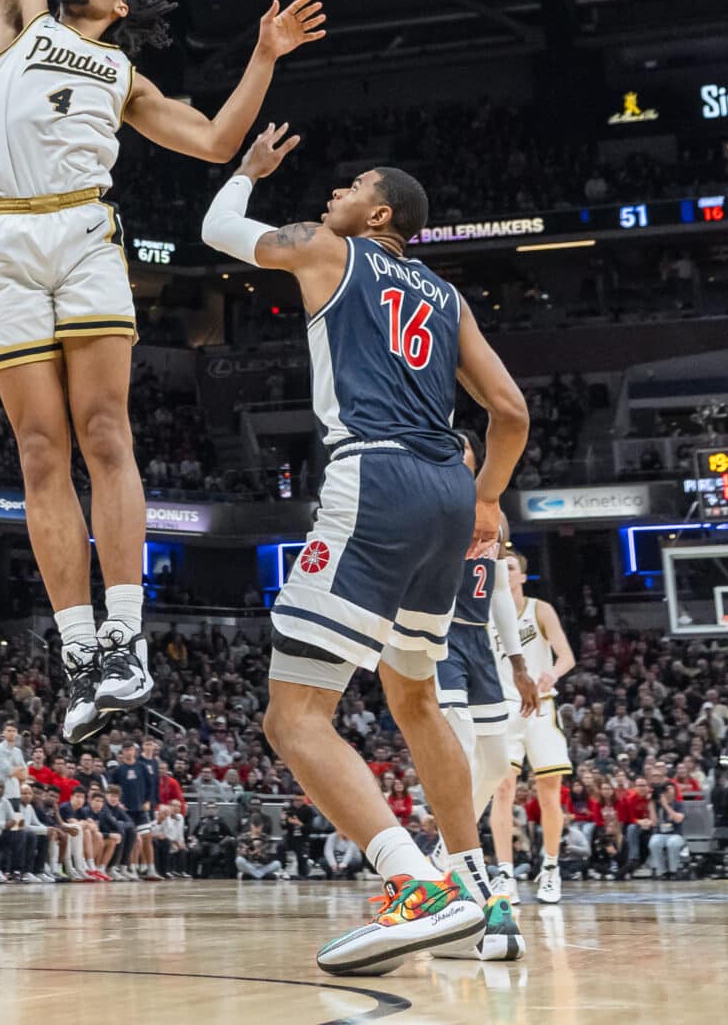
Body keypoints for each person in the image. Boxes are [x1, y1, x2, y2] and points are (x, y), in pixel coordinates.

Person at [0, 0, 326, 744]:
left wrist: (260, 56)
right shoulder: (19, 21)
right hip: (8, 241)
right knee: (36, 451)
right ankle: (80, 651)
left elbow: (211, 142)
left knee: (105, 433)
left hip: (82, 235)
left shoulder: (123, 75)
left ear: (125, 4)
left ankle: (127, 632)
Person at [200, 124, 534, 975]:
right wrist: (489, 494)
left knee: (292, 716)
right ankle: (481, 888)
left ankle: (416, 886)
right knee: (414, 698)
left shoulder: (324, 248)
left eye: (348, 185)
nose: (330, 194)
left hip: (375, 477)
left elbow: (217, 230)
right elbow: (511, 410)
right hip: (449, 496)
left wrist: (246, 170)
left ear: (378, 209)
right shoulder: (448, 298)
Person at [432, 459, 533, 920]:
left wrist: (518, 665)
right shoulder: (433, 512)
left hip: (479, 645)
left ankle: (443, 848)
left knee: (495, 764)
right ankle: (463, 867)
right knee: (462, 744)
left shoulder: (490, 515)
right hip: (440, 638)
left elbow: (498, 600)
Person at [490, 549, 577, 904]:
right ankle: (505, 874)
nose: (506, 572)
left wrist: (551, 674)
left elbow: (567, 656)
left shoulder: (539, 609)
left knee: (549, 791)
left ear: (522, 576)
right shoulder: (486, 612)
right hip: (504, 708)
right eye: (501, 569)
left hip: (541, 707)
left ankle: (551, 868)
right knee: (502, 790)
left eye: (511, 568)